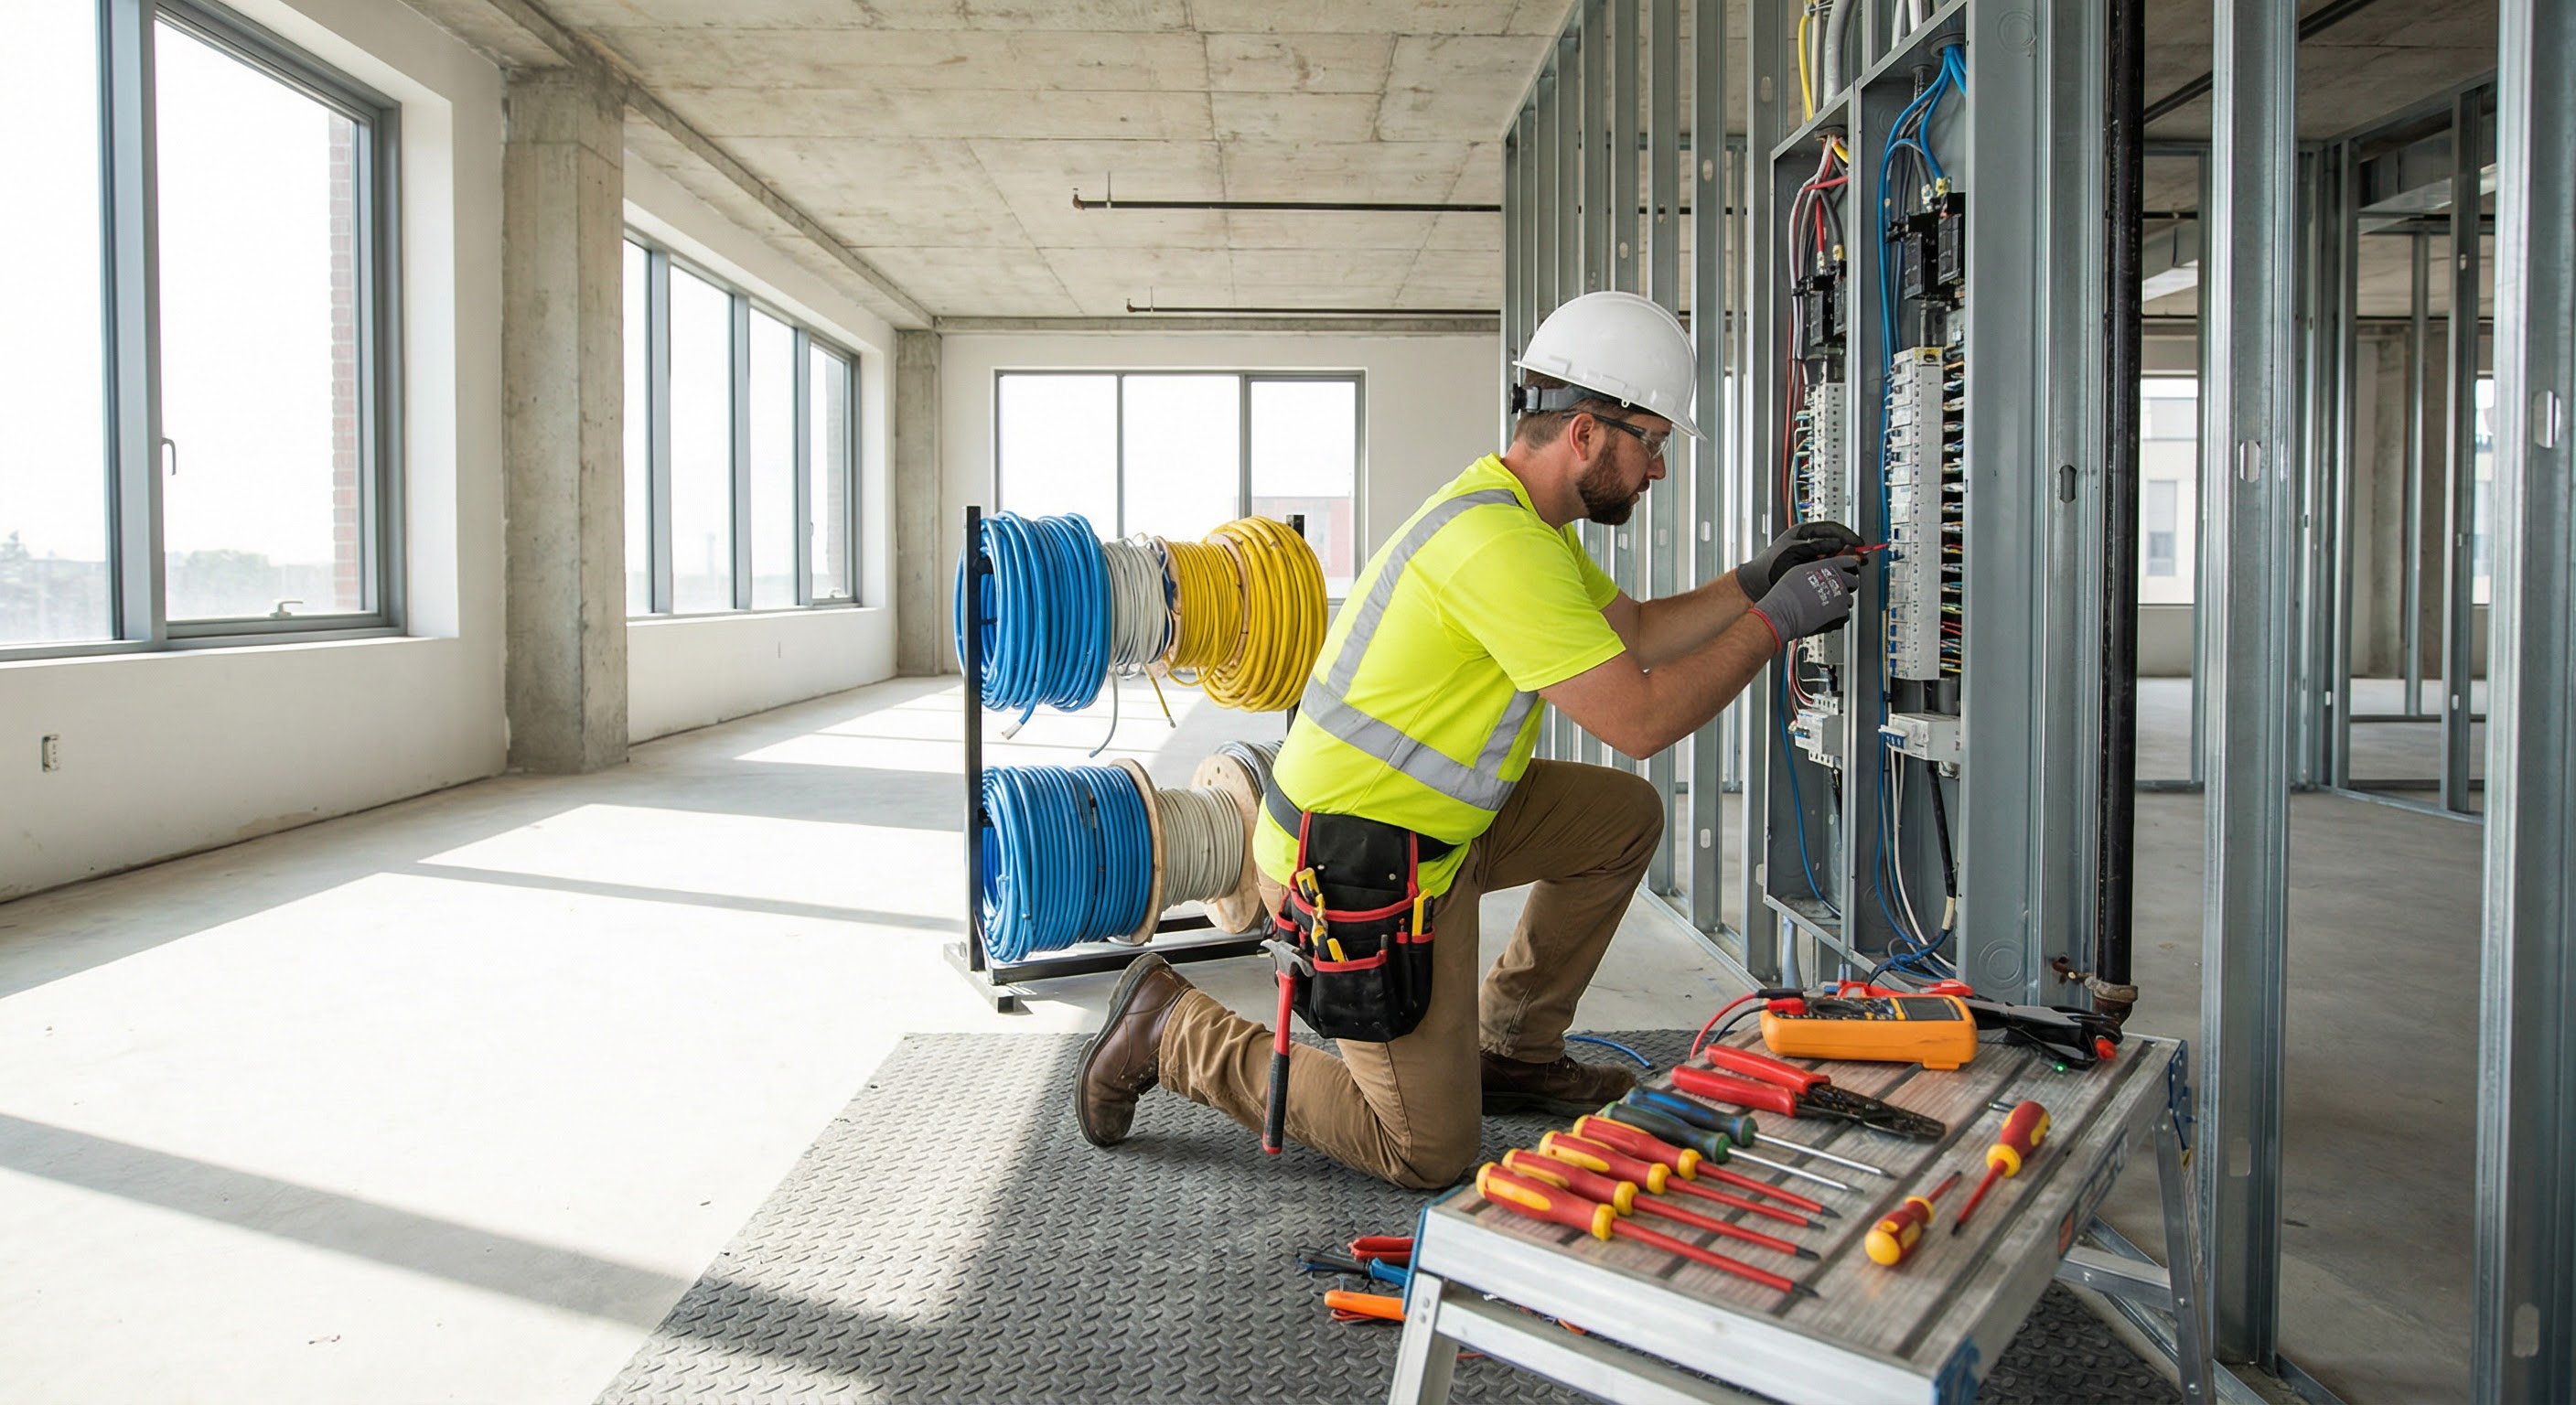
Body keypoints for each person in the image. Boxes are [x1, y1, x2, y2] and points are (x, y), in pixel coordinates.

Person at [1073, 291, 1863, 1190]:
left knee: (1621, 819)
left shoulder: (1517, 519)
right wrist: (1774, 623)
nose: (1656, 469)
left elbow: (1637, 633)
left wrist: (1753, 580)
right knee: (1425, 1152)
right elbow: (1638, 719)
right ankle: (1171, 1030)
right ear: (1585, 433)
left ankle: (1514, 1051)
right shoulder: (1499, 547)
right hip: (1351, 865)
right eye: (1651, 442)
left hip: (1435, 829)